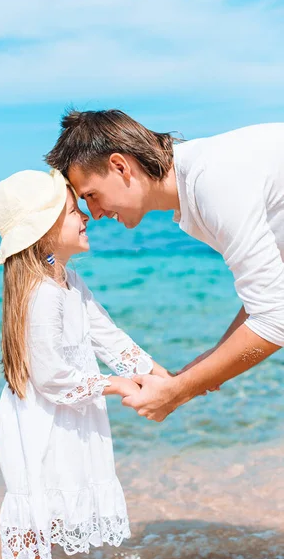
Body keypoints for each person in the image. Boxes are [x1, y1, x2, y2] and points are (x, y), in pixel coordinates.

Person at [0, 169, 168, 559]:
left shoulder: (69, 282)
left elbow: (108, 336)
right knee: (26, 535)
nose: (86, 217)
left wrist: (156, 374)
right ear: (46, 230)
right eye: (73, 211)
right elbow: (52, 376)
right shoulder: (41, 292)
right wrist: (117, 385)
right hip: (39, 424)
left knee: (42, 532)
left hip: (62, 420)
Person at [45, 110, 284, 422]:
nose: (96, 213)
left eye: (91, 194)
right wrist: (210, 365)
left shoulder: (213, 183)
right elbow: (274, 293)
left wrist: (178, 391)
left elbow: (275, 320)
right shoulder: (201, 183)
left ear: (120, 166)